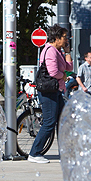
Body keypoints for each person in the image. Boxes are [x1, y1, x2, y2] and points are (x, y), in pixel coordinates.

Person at [28, 24, 72, 164]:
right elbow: (53, 72)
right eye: (65, 37)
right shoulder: (50, 50)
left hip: (57, 91)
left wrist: (67, 52)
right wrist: (63, 77)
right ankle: (34, 153)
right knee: (49, 122)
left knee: (62, 121)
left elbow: (69, 67)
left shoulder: (58, 51)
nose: (67, 40)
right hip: (49, 92)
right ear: (57, 37)